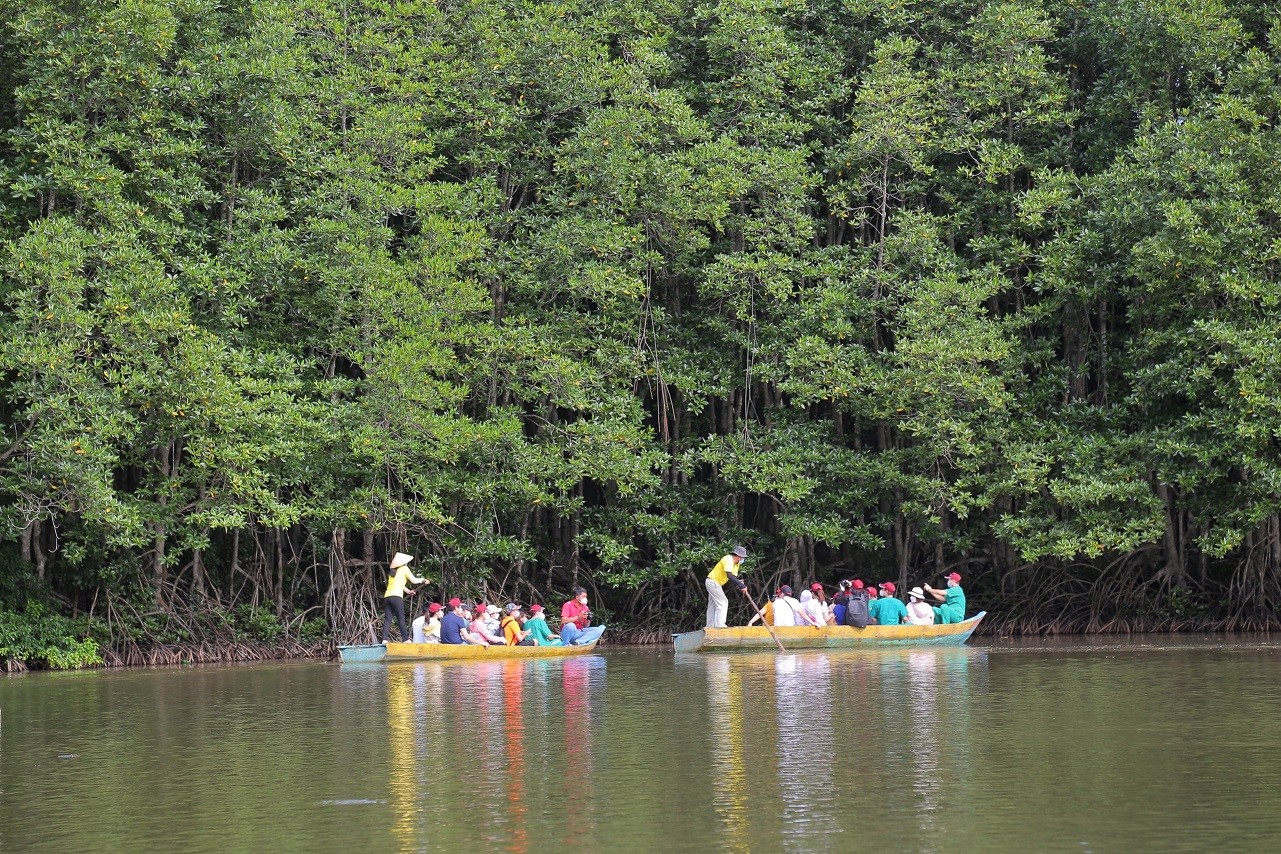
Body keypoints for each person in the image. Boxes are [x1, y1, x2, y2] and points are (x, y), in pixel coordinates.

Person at [382, 552, 429, 643]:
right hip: (396, 597)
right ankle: (405, 639)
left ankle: (384, 640)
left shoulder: (392, 572)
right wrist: (423, 580)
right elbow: (414, 580)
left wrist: (408, 591)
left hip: (387, 597)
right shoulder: (404, 568)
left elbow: (400, 585)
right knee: (401, 618)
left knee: (388, 619)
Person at [705, 545, 749, 629]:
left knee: (713, 605)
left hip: (715, 583)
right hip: (713, 582)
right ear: (738, 556)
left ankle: (710, 627)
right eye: (742, 557)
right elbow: (729, 575)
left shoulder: (736, 564)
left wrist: (739, 585)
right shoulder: (728, 559)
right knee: (723, 602)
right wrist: (742, 585)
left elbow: (733, 579)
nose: (743, 559)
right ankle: (720, 626)